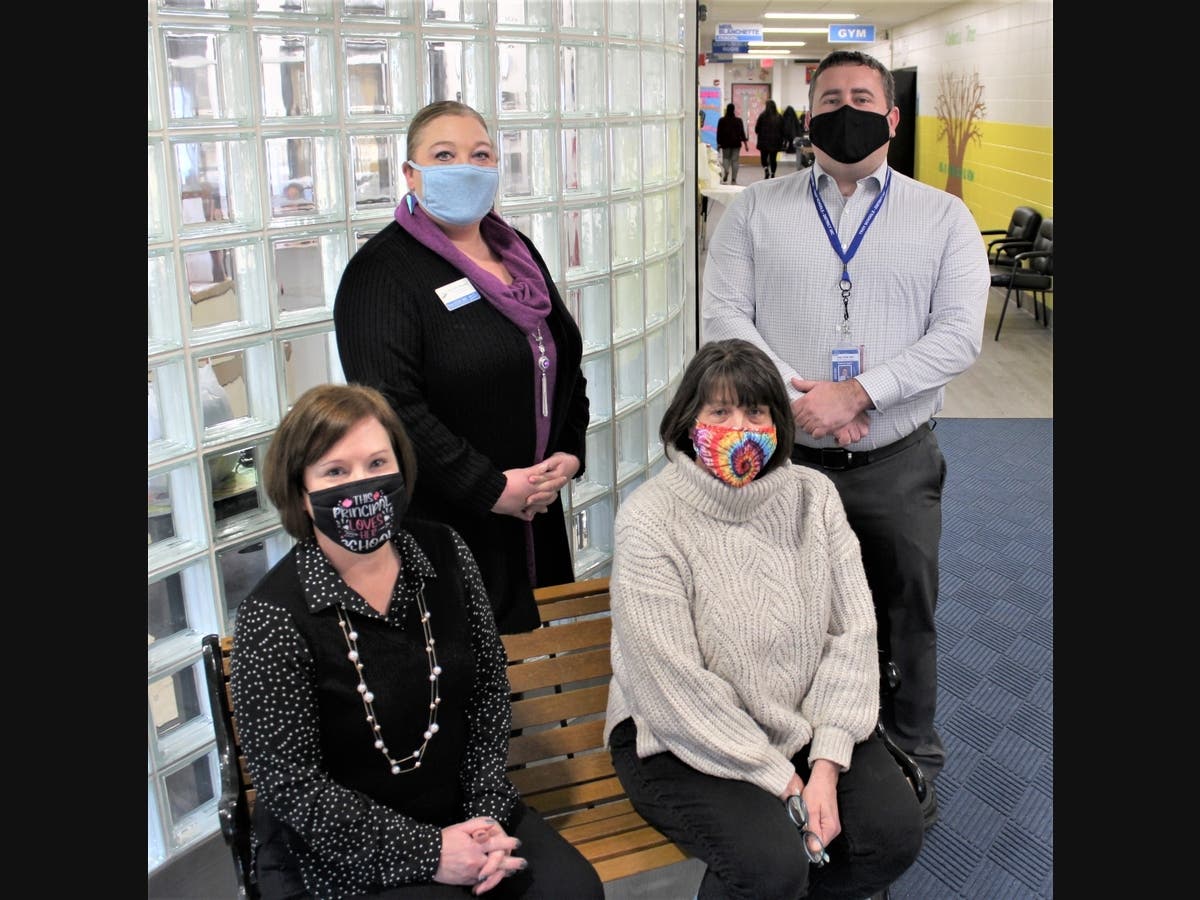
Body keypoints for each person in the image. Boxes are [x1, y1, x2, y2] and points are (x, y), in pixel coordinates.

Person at [701, 49, 992, 831]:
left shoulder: (943, 217)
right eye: (829, 97)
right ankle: (794, 757)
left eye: (863, 96)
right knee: (783, 617)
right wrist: (803, 400)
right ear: (808, 113)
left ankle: (910, 756)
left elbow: (960, 335)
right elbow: (723, 314)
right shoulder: (756, 211)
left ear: (893, 118)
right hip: (784, 464)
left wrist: (860, 392)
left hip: (896, 462)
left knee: (905, 612)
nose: (845, 108)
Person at [230, 383, 605, 900]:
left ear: (400, 472)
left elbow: (488, 697)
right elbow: (295, 788)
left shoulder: (446, 552)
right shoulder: (272, 615)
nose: (361, 485)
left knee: (575, 892)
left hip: (461, 807)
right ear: (299, 490)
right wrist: (430, 853)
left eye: (376, 463)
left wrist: (485, 818)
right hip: (339, 849)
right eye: (335, 472)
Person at [604, 339, 924, 900]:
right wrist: (781, 780)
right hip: (678, 734)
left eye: (756, 411)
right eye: (719, 411)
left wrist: (826, 760)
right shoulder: (650, 519)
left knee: (892, 834)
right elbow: (670, 685)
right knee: (771, 867)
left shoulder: (814, 496)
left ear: (779, 422)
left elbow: (853, 634)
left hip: (800, 714)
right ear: (687, 422)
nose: (740, 426)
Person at [334, 100, 589, 635]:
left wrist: (569, 451)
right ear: (410, 173)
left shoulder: (519, 253)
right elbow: (391, 410)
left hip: (536, 513)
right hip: (452, 527)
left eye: (480, 155)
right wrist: (493, 488)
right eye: (443, 155)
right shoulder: (380, 273)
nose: (465, 168)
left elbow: (561, 361)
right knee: (477, 687)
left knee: (543, 673)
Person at [715, 102, 749, 185]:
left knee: (726, 158)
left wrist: (719, 144)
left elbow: (719, 133)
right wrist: (745, 144)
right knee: (735, 161)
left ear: (727, 109)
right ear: (734, 110)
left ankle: (726, 171)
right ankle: (733, 178)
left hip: (725, 143)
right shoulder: (738, 120)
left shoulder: (722, 120)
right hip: (736, 143)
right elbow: (742, 133)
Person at [754, 99, 784, 179]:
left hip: (763, 142)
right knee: (773, 159)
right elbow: (783, 130)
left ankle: (766, 170)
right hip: (775, 142)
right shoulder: (779, 117)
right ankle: (773, 173)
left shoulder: (762, 116)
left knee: (764, 158)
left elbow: (756, 129)